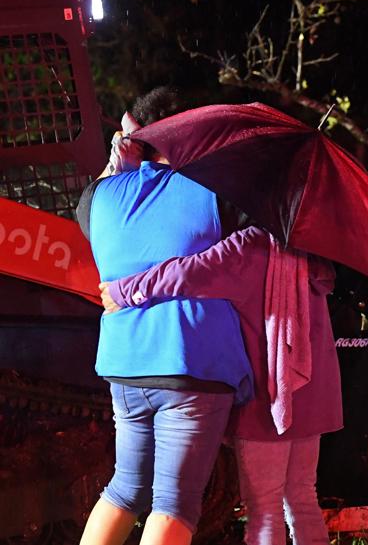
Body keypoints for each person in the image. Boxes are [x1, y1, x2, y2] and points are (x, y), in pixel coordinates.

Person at [77, 87, 254, 545]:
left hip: (123, 367)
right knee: (175, 504)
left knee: (124, 490)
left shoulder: (99, 199)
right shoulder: (215, 191)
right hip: (190, 365)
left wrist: (122, 154)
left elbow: (91, 199)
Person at [100, 226, 343, 545]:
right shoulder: (312, 253)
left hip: (267, 396)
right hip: (310, 396)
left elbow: (187, 272)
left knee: (264, 510)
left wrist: (123, 290)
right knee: (303, 498)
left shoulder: (249, 246)